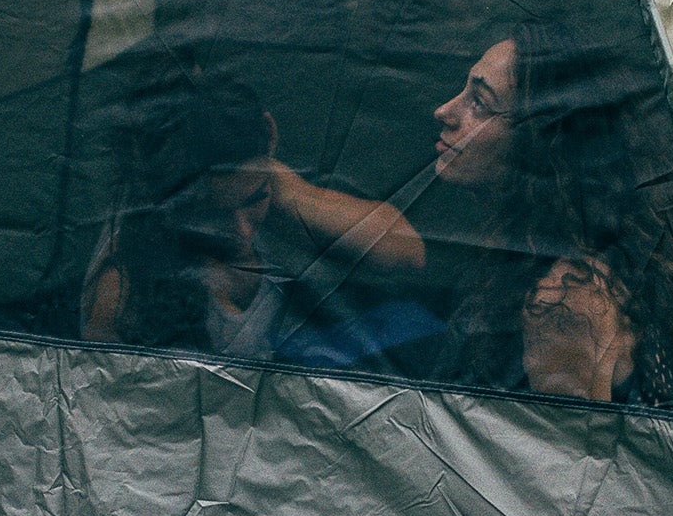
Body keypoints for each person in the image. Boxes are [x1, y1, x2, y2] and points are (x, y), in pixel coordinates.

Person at [422, 20, 673, 414]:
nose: (444, 111)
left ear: (542, 144)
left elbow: (567, 449)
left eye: (480, 103)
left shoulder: (567, 299)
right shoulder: (535, 251)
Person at [81, 63, 424, 361]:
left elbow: (408, 253)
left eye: (254, 199)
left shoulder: (277, 193)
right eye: (214, 215)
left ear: (270, 134)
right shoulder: (126, 283)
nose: (243, 230)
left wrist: (288, 194)